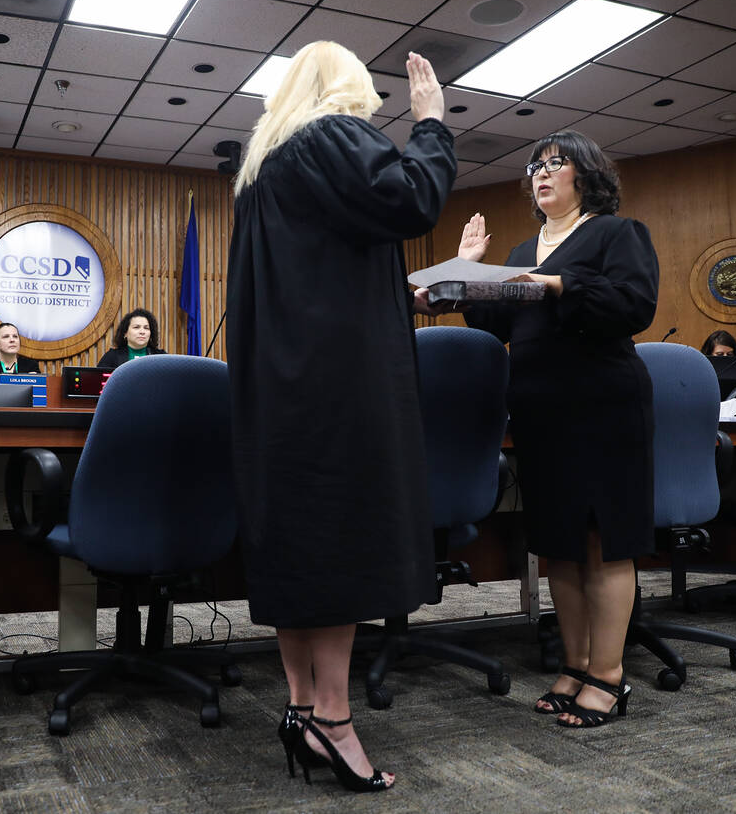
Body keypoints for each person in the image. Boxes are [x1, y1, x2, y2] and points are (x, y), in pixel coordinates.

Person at [226, 42, 455, 793]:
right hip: (338, 390)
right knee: (341, 544)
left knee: (301, 546)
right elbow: (412, 199)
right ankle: (334, 716)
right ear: (347, 90)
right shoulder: (331, 135)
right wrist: (431, 124)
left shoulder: (265, 168)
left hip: (286, 387)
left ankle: (301, 708)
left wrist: (401, 292)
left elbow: (330, 264)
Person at [457, 130, 658, 729]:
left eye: (556, 164)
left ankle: (610, 677)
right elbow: (493, 324)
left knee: (602, 540)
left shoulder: (617, 233)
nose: (542, 174)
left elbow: (633, 305)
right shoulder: (523, 249)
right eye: (535, 165)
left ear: (586, 175)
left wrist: (560, 282)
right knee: (560, 546)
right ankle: (574, 666)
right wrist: (467, 272)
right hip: (541, 409)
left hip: (602, 402)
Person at [97, 309, 165, 369]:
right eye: (136, 327)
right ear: (125, 333)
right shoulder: (112, 357)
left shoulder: (161, 357)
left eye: (146, 328)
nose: (142, 332)